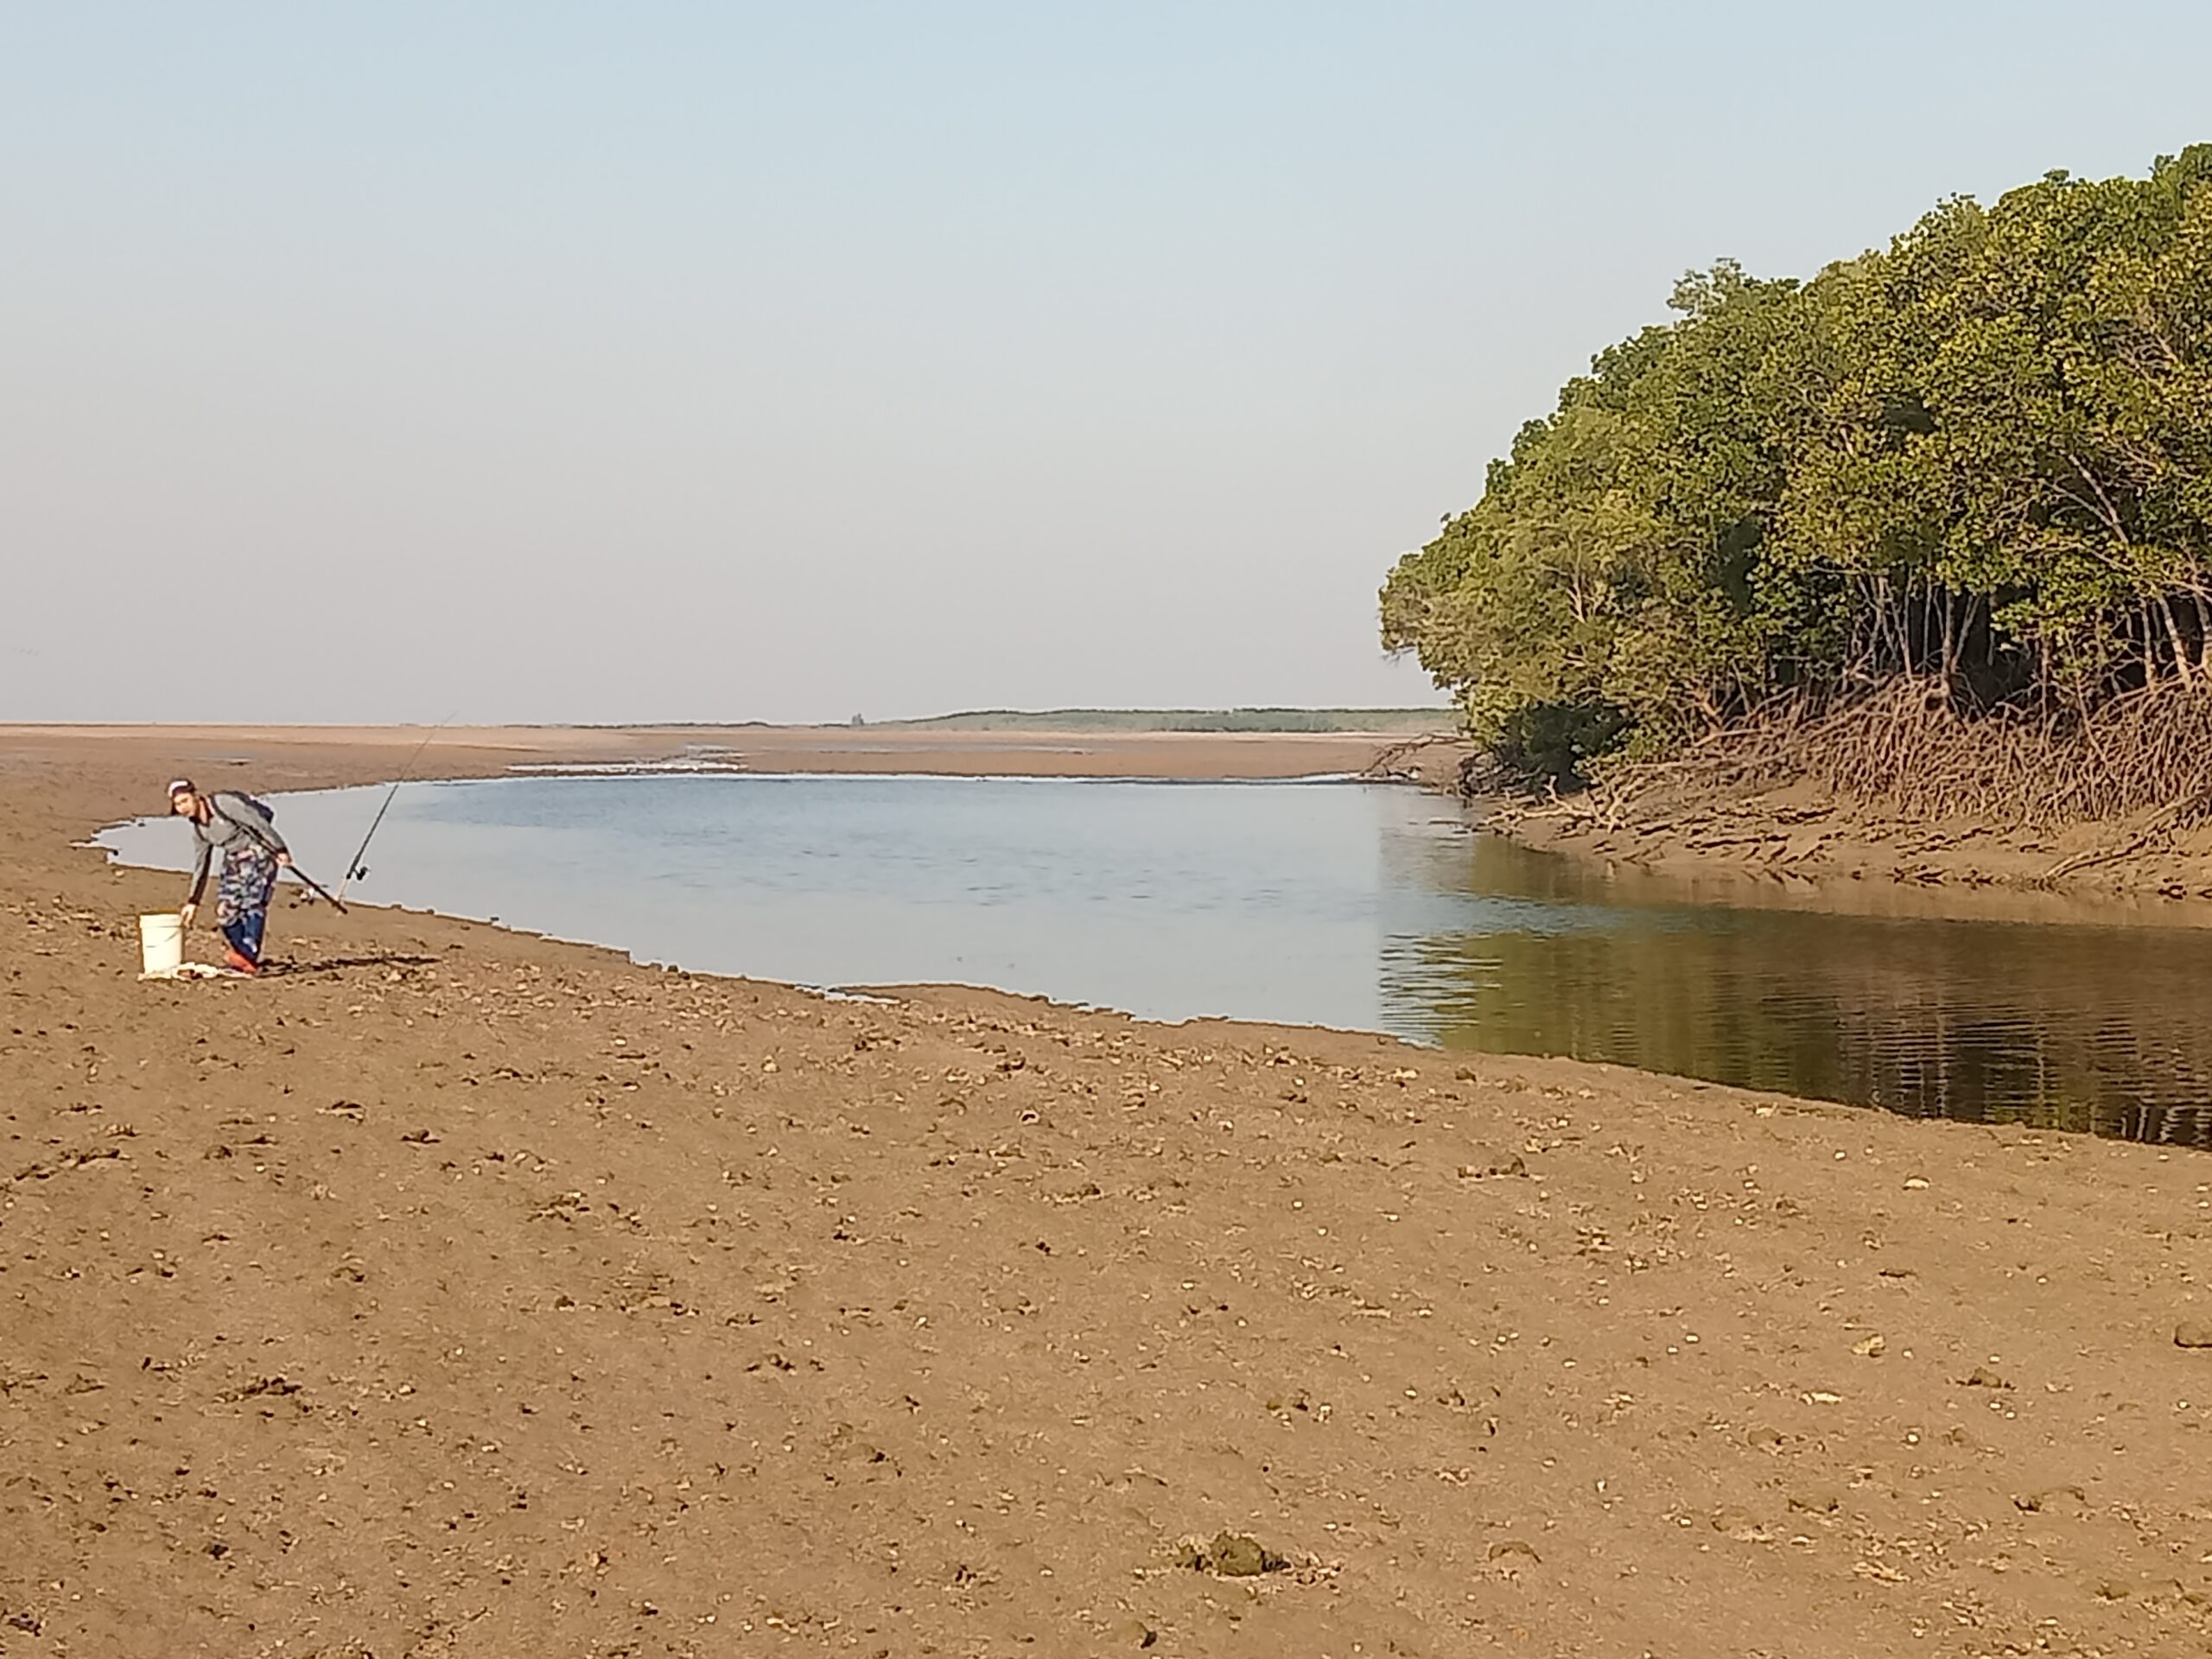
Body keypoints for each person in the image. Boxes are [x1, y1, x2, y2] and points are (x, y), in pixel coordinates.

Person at [169, 779, 292, 975]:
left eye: (185, 801)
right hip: (233, 859)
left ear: (195, 796)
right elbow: (202, 865)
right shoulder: (200, 831)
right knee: (224, 912)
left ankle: (249, 954)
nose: (183, 808)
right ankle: (242, 953)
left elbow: (257, 823)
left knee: (252, 903)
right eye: (178, 804)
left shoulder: (224, 804)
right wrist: (193, 901)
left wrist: (279, 848)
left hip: (258, 850)